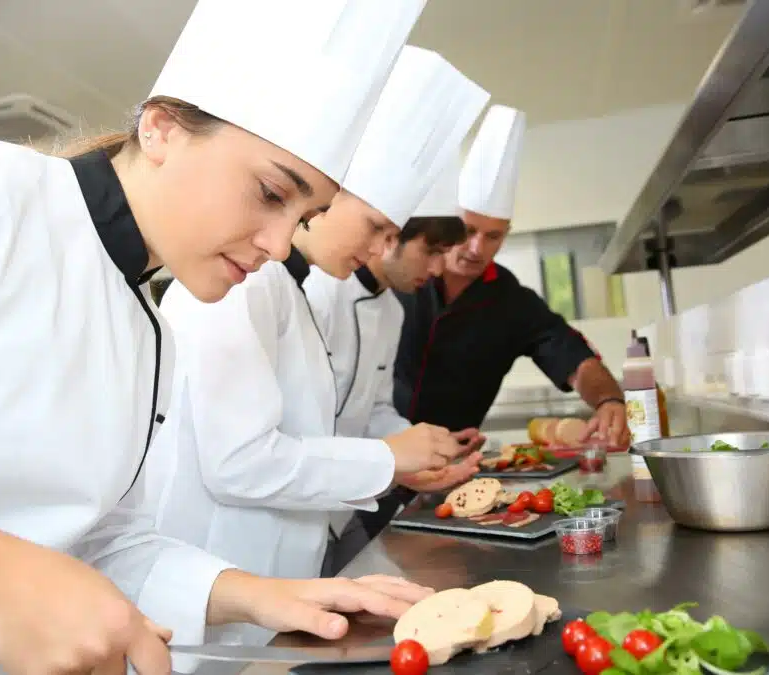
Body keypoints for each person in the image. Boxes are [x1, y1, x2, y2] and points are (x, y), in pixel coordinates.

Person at [0, 1, 435, 673]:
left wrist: (269, 596)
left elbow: (99, 542)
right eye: (271, 192)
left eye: (309, 214)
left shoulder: (147, 329)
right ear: (160, 129)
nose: (278, 244)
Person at [144, 45, 488, 664]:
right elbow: (240, 463)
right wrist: (387, 461)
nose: (383, 249)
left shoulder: (286, 289)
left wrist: (407, 453)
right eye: (377, 226)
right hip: (220, 580)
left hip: (283, 581)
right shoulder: (238, 284)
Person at [393, 105, 631, 447]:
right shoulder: (402, 277)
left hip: (452, 463)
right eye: (468, 230)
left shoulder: (512, 302)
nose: (476, 248)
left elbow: (575, 358)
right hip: (377, 454)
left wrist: (609, 399)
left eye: (493, 236)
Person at [304, 159, 485, 576]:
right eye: (431, 252)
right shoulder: (319, 290)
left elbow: (375, 410)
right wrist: (393, 459)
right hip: (306, 501)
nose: (437, 270)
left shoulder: (390, 310)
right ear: (390, 238)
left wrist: (428, 448)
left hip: (340, 510)